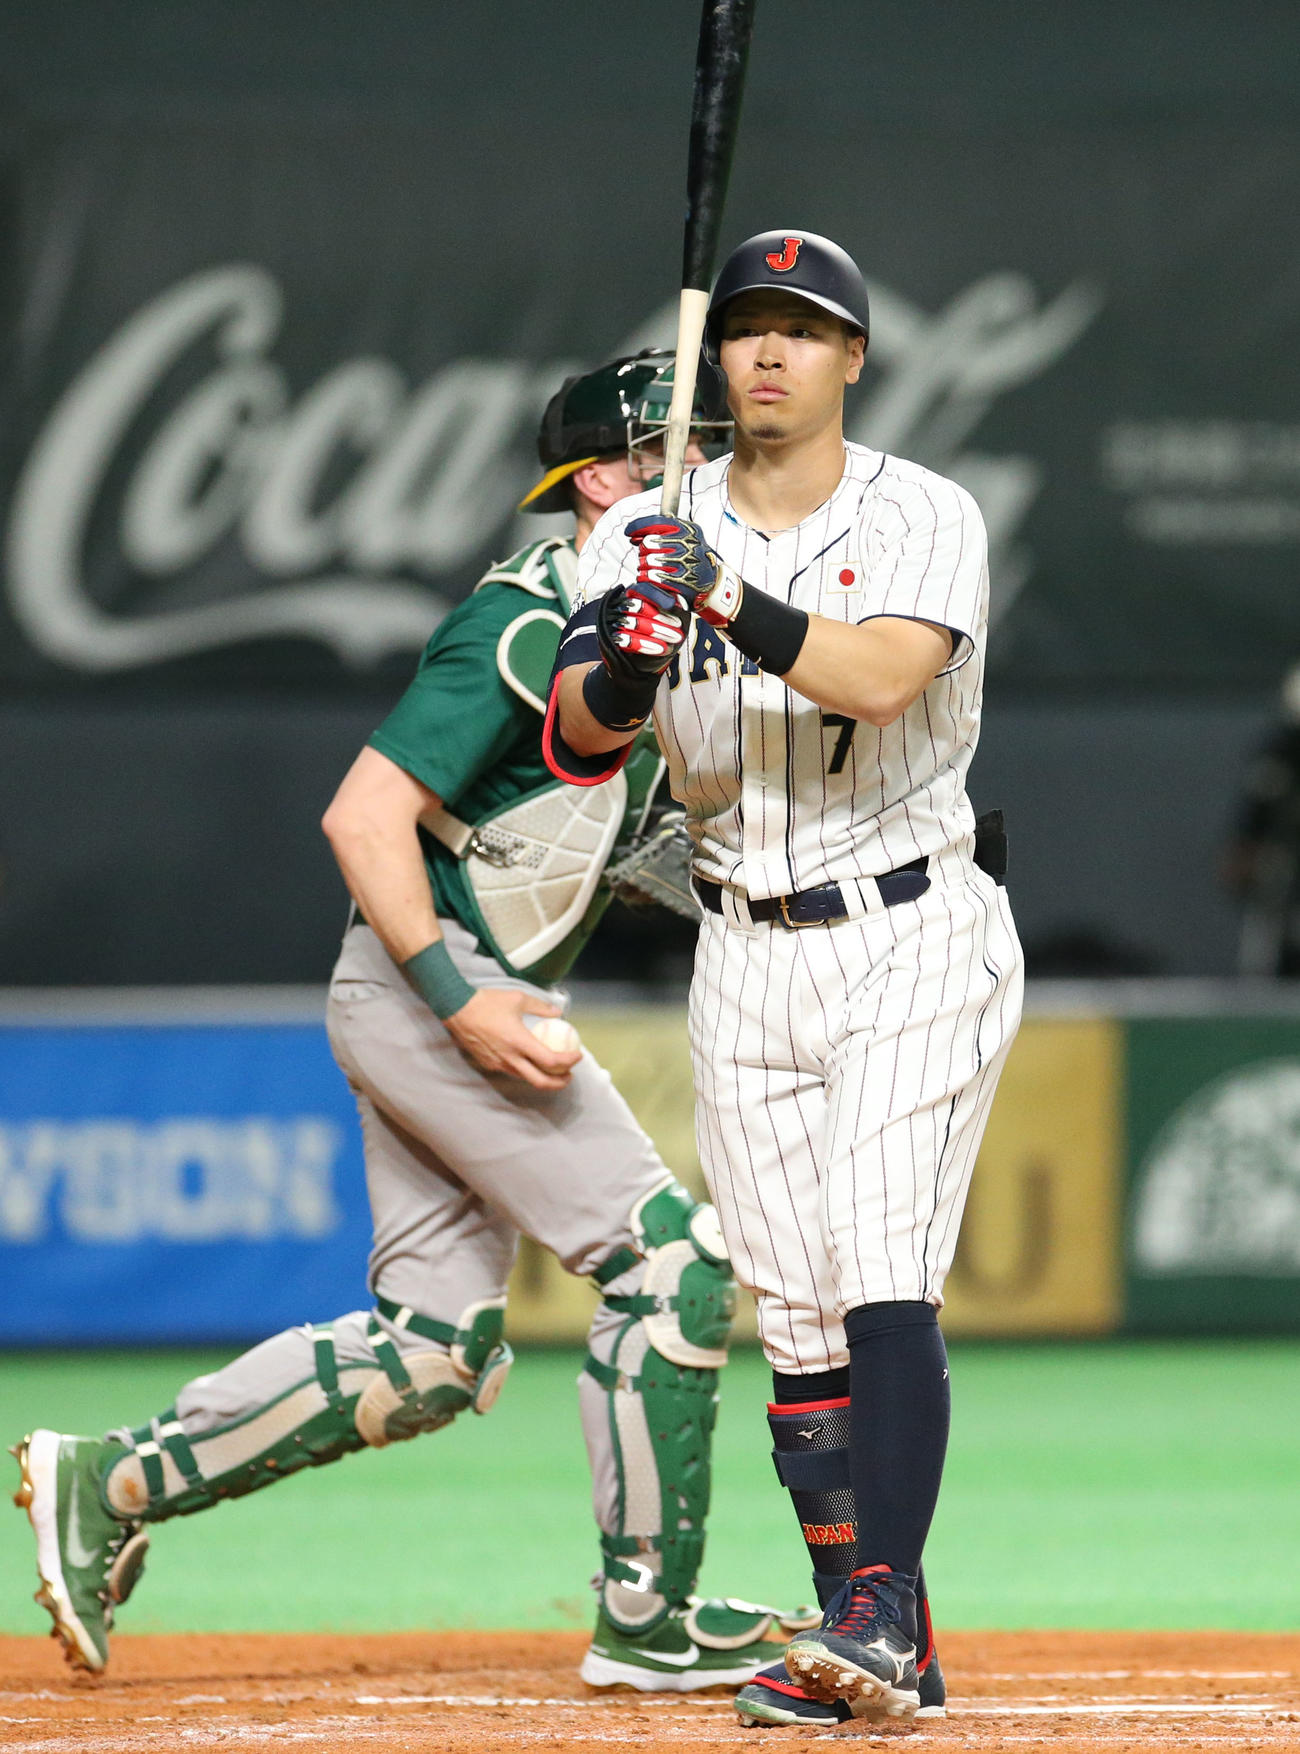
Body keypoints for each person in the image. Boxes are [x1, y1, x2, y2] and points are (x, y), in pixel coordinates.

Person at [11, 351, 815, 1690]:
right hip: (431, 994)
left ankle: (110, 1480)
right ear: (610, 479)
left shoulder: (632, 632)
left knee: (435, 1354)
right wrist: (462, 1002)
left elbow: (589, 835)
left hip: (443, 997)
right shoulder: (525, 614)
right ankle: (647, 1620)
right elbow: (362, 813)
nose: (720, 474)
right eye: (694, 452)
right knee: (668, 1265)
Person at [546, 231, 1024, 1726]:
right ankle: (876, 1637)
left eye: (804, 331)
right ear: (717, 359)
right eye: (747, 327)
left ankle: (877, 1611)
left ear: (853, 362)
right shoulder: (644, 530)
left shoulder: (926, 511)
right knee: (798, 1317)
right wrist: (628, 663)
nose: (769, 351)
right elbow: (573, 734)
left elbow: (883, 676)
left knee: (881, 1262)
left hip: (911, 925)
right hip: (738, 942)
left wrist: (727, 598)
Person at [1224, 662, 1300, 976]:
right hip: (1283, 867)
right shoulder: (1283, 751)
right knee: (1268, 944)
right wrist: (1245, 849)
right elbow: (1258, 807)